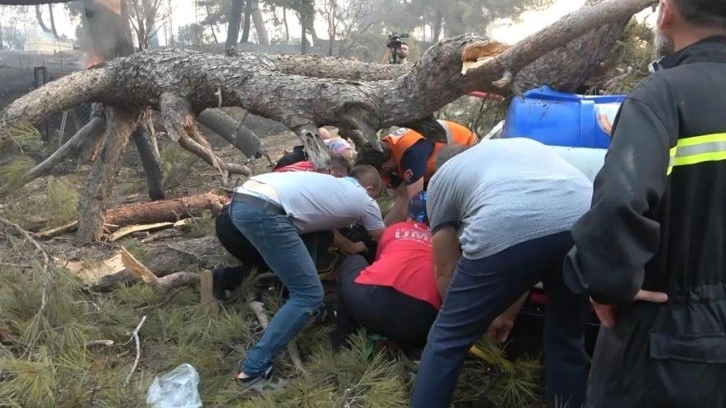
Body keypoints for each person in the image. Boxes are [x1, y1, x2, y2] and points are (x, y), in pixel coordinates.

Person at [562, 1, 726, 406]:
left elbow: (618, 201)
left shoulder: (665, 95)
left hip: (671, 337)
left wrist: (607, 284)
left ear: (667, 12)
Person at [410, 137, 594, 408]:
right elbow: (531, 256)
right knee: (566, 337)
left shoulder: (442, 180)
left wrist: (465, 318)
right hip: (585, 219)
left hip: (505, 224)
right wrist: (505, 314)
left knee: (446, 341)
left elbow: (445, 267)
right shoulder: (518, 147)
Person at [229, 165, 386, 389]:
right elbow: (384, 237)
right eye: (376, 196)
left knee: (317, 237)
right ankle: (252, 370)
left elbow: (327, 230)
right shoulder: (365, 199)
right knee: (309, 294)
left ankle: (300, 313)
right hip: (266, 212)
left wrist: (352, 246)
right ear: (370, 189)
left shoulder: (332, 184)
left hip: (245, 198)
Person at [331, 191, 440, 354]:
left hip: (369, 306)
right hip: (421, 325)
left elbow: (378, 263)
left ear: (409, 214)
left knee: (353, 262)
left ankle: (343, 338)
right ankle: (408, 348)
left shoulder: (394, 230)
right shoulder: (448, 243)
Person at [356, 116, 478, 225]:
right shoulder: (385, 154)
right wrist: (383, 229)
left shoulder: (411, 153)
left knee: (430, 209)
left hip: (465, 150)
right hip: (438, 162)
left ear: (384, 168)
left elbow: (414, 202)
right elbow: (403, 196)